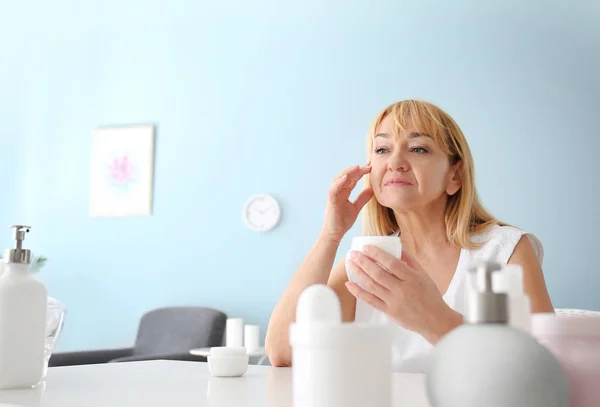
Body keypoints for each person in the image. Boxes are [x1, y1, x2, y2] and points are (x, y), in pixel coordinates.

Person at [265, 99, 554, 372]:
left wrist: (434, 319)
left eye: (417, 149)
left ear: (455, 176)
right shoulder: (366, 264)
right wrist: (331, 235)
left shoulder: (505, 250)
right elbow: (283, 352)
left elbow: (544, 372)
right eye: (382, 150)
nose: (395, 162)